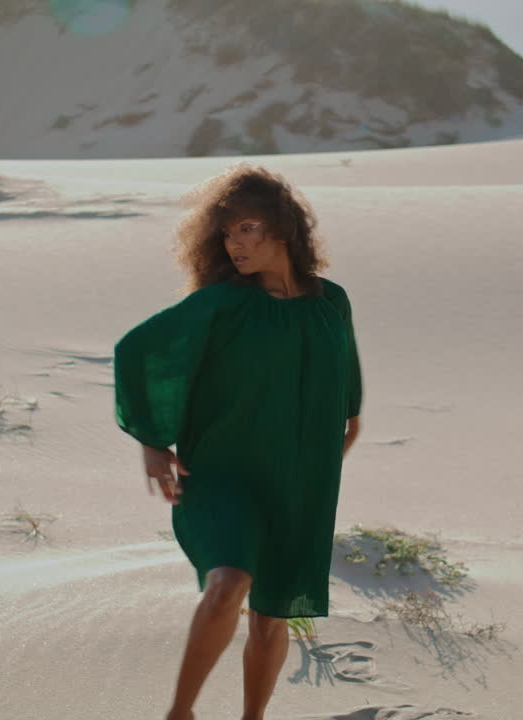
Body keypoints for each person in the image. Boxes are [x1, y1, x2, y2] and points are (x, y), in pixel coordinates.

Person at [113, 164, 362, 720]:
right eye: (227, 232)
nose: (235, 242)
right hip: (219, 476)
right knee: (228, 582)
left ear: (284, 228)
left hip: (297, 484)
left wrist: (318, 459)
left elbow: (347, 403)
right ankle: (181, 713)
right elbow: (137, 351)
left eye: (247, 227)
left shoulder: (331, 302)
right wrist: (152, 442)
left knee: (272, 613)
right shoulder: (223, 303)